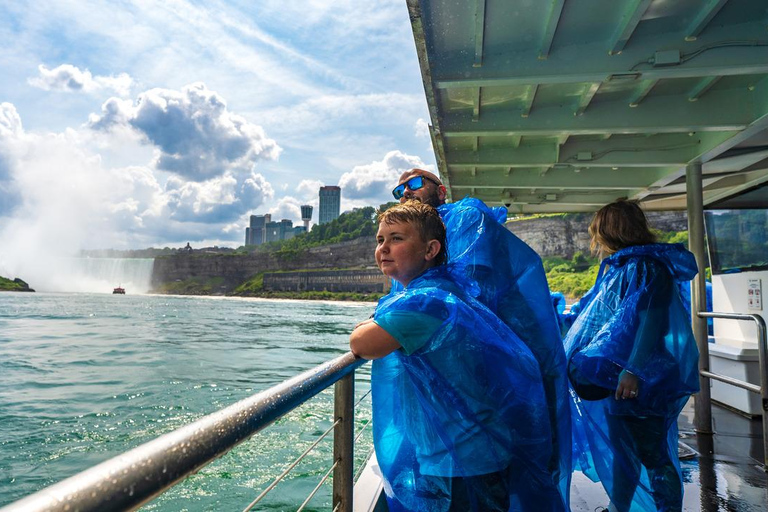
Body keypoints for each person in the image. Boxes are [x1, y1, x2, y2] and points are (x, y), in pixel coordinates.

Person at [350, 201, 556, 511]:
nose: (384, 248)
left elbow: (362, 343)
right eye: (380, 240)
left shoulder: (425, 303)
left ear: (430, 249)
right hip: (474, 450)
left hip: (462, 460)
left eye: (396, 238)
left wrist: (371, 321)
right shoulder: (442, 292)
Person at [390, 169, 571, 508]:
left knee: (524, 454)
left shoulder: (466, 215)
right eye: (399, 189)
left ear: (441, 190)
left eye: (415, 183)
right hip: (484, 359)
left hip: (510, 353)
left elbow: (471, 284)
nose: (406, 192)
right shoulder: (420, 234)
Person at [563, 199, 700, 512]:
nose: (595, 239)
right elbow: (600, 319)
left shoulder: (646, 267)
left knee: (653, 455)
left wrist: (633, 370)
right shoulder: (625, 266)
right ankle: (618, 507)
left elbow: (651, 321)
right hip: (624, 375)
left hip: (643, 378)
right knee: (626, 451)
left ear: (612, 232)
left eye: (598, 232)